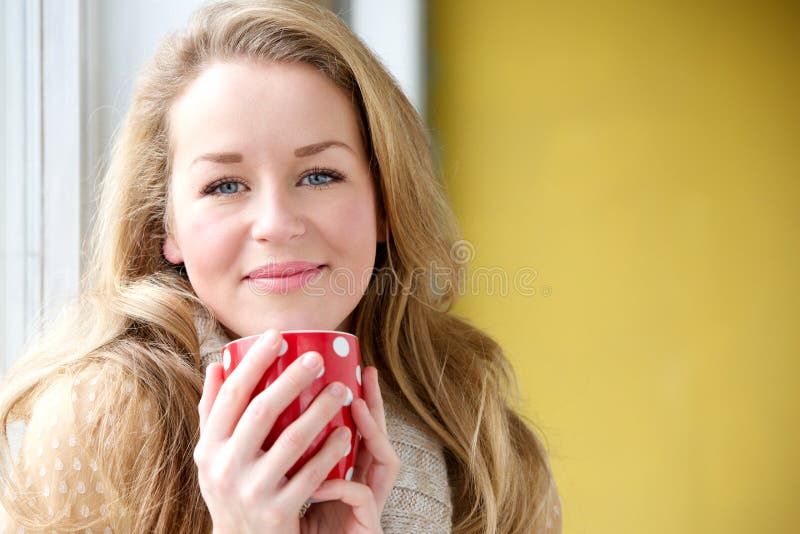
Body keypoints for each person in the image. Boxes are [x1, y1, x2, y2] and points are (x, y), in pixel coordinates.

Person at [0, 1, 562, 532]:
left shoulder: (477, 433)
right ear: (166, 227)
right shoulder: (96, 421)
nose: (276, 222)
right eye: (224, 185)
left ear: (385, 202)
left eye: (319, 175)